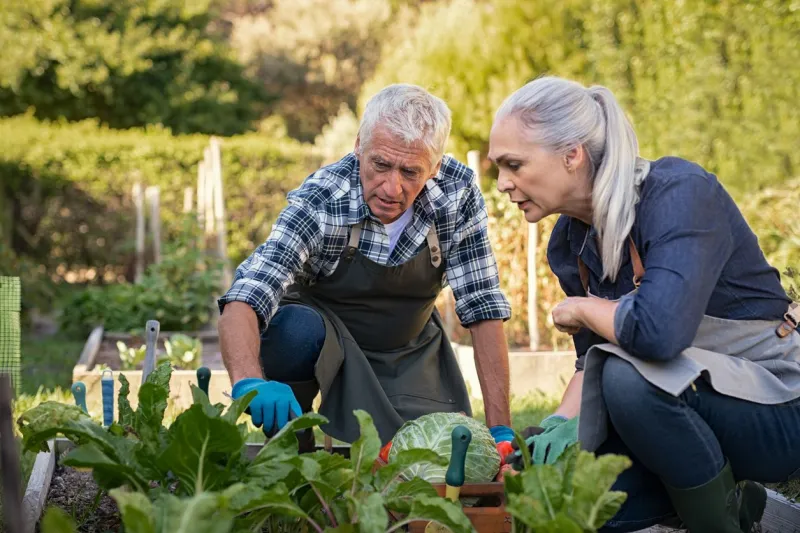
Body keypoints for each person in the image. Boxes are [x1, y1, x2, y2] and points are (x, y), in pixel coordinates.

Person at [488, 75, 800, 532]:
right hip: (681, 408)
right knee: (591, 509)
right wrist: (553, 430)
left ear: (572, 155)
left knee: (627, 380)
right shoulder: (569, 242)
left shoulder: (679, 195)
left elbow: (658, 331)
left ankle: (731, 522)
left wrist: (581, 309)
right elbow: (590, 363)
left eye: (514, 164)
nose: (502, 184)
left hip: (778, 405)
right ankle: (759, 512)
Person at [217, 83, 515, 453]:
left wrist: (502, 430)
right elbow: (248, 293)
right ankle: (291, 448)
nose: (392, 187)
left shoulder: (457, 193)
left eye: (410, 171)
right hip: (327, 344)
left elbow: (482, 305)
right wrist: (249, 382)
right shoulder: (324, 199)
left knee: (424, 461)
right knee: (292, 331)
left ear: (435, 167)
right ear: (359, 145)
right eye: (380, 165)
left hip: (409, 348)